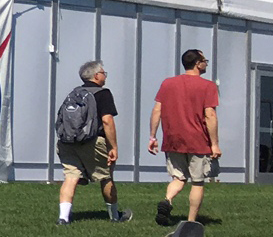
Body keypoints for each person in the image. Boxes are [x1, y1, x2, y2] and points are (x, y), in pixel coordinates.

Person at [148, 49, 221, 226]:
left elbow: (157, 109)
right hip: (197, 140)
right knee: (197, 182)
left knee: (178, 178)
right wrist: (215, 144)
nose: (206, 64)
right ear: (198, 63)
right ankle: (190, 221)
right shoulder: (208, 86)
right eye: (205, 60)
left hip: (173, 139)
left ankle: (167, 200)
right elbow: (210, 115)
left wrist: (152, 136)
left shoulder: (168, 83)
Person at [55, 60, 132, 225]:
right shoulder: (102, 93)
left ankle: (63, 217)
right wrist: (113, 147)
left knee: (70, 177)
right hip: (93, 141)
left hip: (67, 142)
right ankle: (114, 216)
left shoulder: (74, 93)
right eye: (104, 73)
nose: (105, 76)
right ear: (96, 75)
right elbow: (107, 121)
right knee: (106, 176)